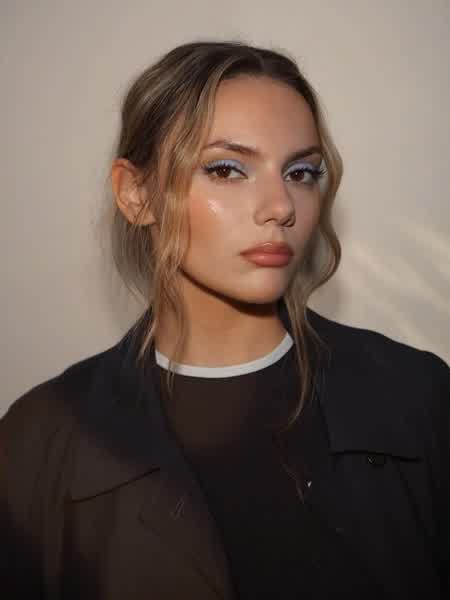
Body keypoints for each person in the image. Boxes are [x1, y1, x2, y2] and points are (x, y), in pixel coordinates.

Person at [1, 40, 449, 600]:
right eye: (227, 169)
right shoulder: (39, 440)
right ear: (136, 194)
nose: (281, 206)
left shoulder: (419, 395)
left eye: (301, 172)